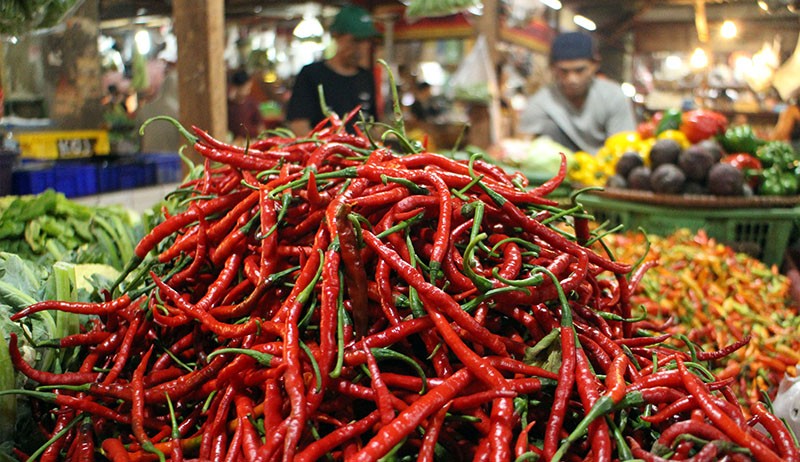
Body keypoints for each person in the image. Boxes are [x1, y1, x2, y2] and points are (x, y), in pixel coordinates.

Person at [518, 31, 636, 154]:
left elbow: (625, 148)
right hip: (560, 163)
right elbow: (523, 147)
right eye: (564, 71)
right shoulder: (541, 102)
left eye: (579, 70)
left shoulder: (613, 96)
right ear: (553, 68)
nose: (572, 79)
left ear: (595, 65)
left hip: (604, 163)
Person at [284, 5, 380, 135]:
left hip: (361, 148)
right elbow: (299, 125)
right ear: (336, 37)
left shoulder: (366, 77)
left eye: (367, 41)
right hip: (323, 147)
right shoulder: (311, 74)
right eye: (356, 40)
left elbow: (372, 127)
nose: (362, 48)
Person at [227, 69, 264, 142]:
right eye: (246, 88)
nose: (248, 91)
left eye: (249, 88)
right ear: (235, 87)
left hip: (252, 142)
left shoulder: (252, 104)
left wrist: (262, 140)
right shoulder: (228, 106)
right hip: (235, 143)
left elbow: (260, 126)